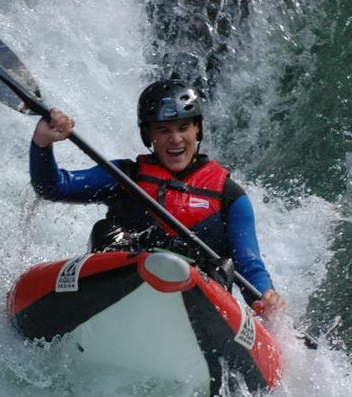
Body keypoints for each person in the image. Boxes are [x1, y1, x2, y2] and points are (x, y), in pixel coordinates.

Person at [30, 79, 285, 314]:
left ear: (198, 129)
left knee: (221, 268)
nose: (175, 139)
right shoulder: (125, 177)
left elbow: (249, 266)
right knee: (106, 231)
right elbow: (53, 188)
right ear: (148, 135)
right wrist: (42, 144)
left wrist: (267, 299)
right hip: (121, 293)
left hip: (197, 303)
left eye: (184, 127)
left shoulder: (229, 196)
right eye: (163, 130)